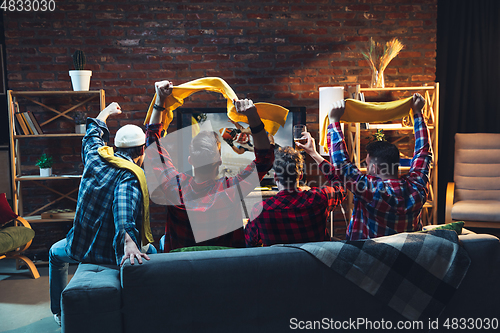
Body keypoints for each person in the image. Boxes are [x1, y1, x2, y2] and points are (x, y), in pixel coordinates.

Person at [48, 103, 155, 326]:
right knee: (154, 250)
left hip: (79, 247)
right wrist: (128, 241)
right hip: (111, 253)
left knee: (54, 254)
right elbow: (123, 206)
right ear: (142, 150)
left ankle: (58, 312)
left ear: (116, 146)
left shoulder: (96, 157)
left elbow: (92, 135)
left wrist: (106, 112)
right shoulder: (130, 175)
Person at [145, 80, 274, 252]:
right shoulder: (232, 189)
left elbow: (153, 145)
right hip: (224, 273)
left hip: (182, 274)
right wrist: (253, 118)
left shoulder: (175, 187)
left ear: (190, 160)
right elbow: (264, 159)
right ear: (219, 161)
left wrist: (160, 101)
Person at [328, 93, 431, 240]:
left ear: (375, 169)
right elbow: (424, 152)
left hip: (369, 258)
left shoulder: (371, 190)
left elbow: (341, 165)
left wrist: (333, 120)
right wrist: (417, 112)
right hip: (407, 255)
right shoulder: (417, 186)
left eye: (367, 164)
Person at [245, 133, 346, 247]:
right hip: (316, 264)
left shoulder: (260, 210)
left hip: (279, 265)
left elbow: (249, 245)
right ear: (301, 175)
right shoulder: (319, 198)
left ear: (275, 177)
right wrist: (313, 153)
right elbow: (341, 186)